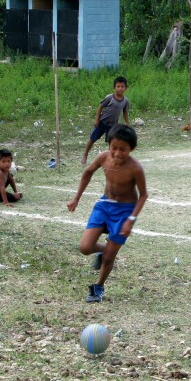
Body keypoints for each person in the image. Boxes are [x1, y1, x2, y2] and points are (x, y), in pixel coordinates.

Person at [67, 124, 147, 302]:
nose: (118, 153)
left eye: (123, 149)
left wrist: (131, 219)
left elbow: (143, 195)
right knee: (85, 247)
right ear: (108, 145)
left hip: (125, 211)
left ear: (132, 149)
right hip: (104, 205)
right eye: (114, 148)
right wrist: (76, 199)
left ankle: (98, 287)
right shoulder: (103, 158)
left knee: (110, 257)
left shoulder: (135, 168)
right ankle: (105, 251)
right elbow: (87, 173)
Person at [82, 76, 131, 165]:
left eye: (122, 86)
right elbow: (100, 107)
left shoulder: (125, 101)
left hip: (112, 126)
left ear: (126, 88)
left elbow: (125, 112)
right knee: (93, 139)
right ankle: (85, 154)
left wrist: (127, 124)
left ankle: (111, 159)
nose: (120, 88)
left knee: (112, 143)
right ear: (114, 88)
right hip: (102, 123)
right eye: (118, 86)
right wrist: (97, 120)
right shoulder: (110, 97)